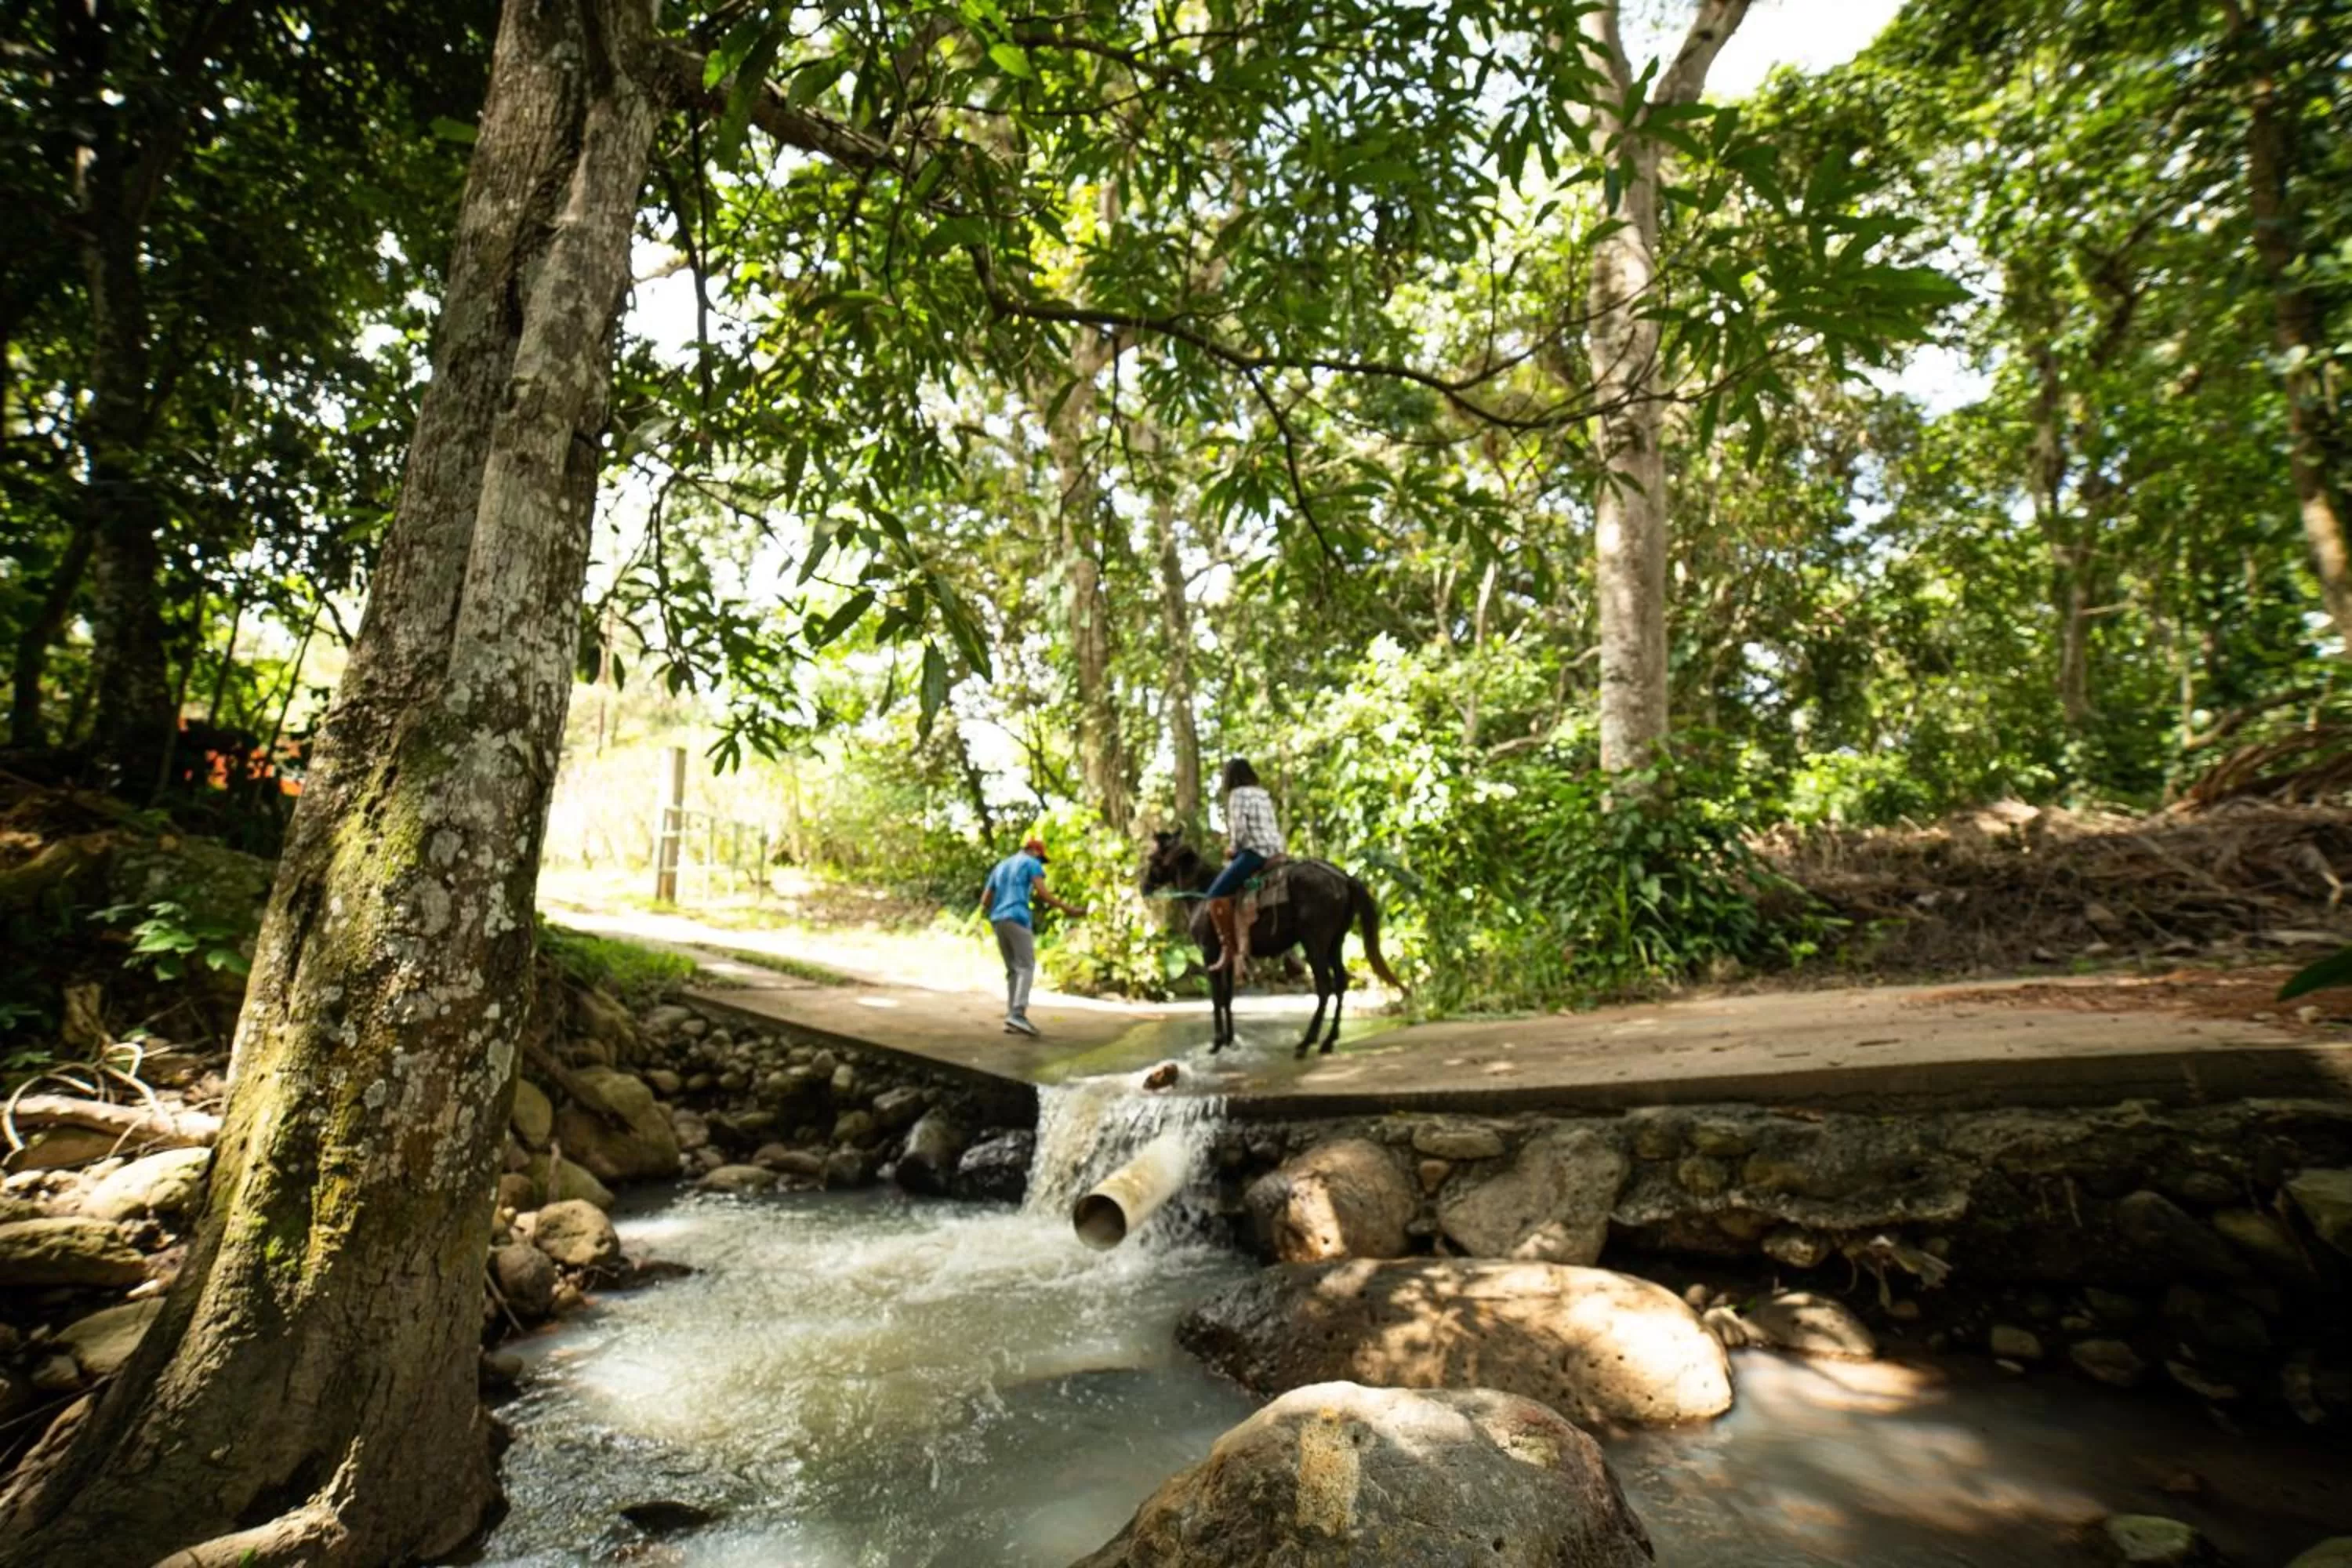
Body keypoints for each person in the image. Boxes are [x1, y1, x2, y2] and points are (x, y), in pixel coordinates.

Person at [978, 836, 1084, 1036]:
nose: (1040, 863)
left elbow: (985, 899)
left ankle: (1011, 1017)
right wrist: (1067, 908)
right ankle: (1018, 1014)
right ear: (1034, 851)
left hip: (998, 920)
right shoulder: (1031, 863)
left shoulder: (1001, 866)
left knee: (1012, 970)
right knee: (1026, 966)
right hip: (1017, 917)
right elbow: (1042, 892)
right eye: (1041, 858)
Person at [1204, 757, 1283, 975]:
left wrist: (1232, 849)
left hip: (1255, 853)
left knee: (1215, 896)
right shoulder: (1262, 794)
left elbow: (1240, 830)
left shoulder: (1237, 795)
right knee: (1252, 884)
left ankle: (1228, 948)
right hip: (1276, 852)